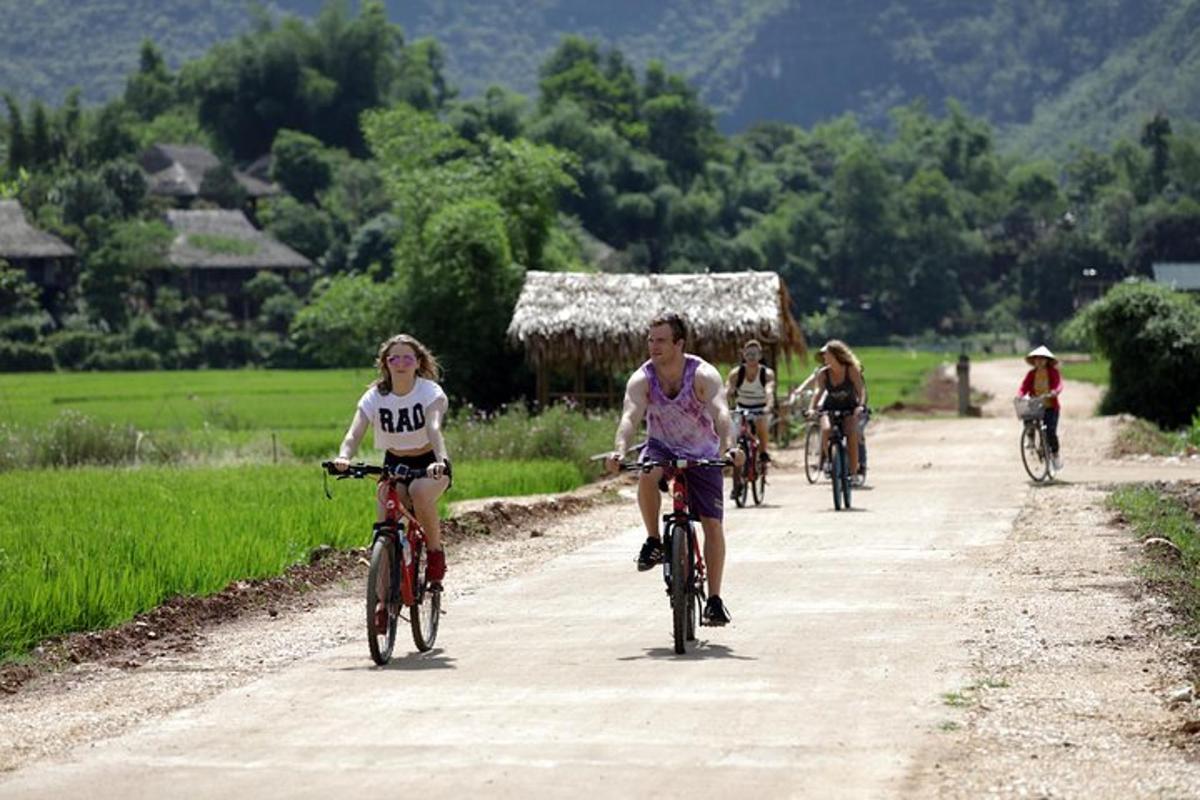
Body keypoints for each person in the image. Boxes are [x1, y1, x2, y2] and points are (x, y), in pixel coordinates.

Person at [605, 313, 744, 626]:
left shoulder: (703, 375)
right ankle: (654, 540)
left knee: (711, 525)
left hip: (702, 452)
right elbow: (629, 417)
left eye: (661, 340)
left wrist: (730, 448)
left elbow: (721, 413)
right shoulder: (643, 378)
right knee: (646, 473)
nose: (653, 346)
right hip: (661, 447)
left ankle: (714, 600)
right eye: (651, 340)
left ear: (679, 343)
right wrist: (619, 450)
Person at [333, 334, 452, 628]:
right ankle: (383, 604)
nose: (400, 363)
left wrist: (441, 461)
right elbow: (354, 432)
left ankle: (435, 554)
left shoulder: (429, 391)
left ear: (418, 363)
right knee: (385, 522)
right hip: (394, 463)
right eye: (393, 358)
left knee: (420, 493)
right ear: (385, 363)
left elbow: (434, 427)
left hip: (429, 462)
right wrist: (343, 457)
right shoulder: (375, 396)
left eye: (407, 358)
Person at [807, 339, 867, 480]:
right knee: (826, 430)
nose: (824, 358)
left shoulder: (851, 369)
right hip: (830, 408)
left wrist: (861, 406)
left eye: (826, 354)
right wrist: (811, 409)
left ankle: (853, 472)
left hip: (850, 408)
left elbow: (861, 390)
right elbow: (818, 392)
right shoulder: (823, 374)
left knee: (851, 433)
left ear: (835, 355)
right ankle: (830, 461)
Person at [725, 339, 777, 466]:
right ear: (743, 355)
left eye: (754, 354)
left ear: (760, 355)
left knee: (761, 423)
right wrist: (723, 405)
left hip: (760, 408)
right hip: (741, 408)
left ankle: (763, 452)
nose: (751, 357)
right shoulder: (736, 373)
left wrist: (769, 406)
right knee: (734, 433)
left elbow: (769, 391)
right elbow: (728, 390)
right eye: (748, 354)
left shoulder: (767, 374)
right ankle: (735, 462)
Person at [1017, 345, 1063, 471]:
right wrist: (1021, 395)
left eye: (1042, 359)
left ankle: (1055, 454)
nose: (1040, 361)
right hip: (1036, 405)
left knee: (1050, 432)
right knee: (1027, 417)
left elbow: (1059, 384)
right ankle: (1030, 439)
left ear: (1047, 360)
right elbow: (1023, 387)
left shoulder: (1053, 373)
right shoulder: (1031, 374)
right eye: (1037, 359)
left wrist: (1054, 392)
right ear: (1034, 361)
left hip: (1050, 406)